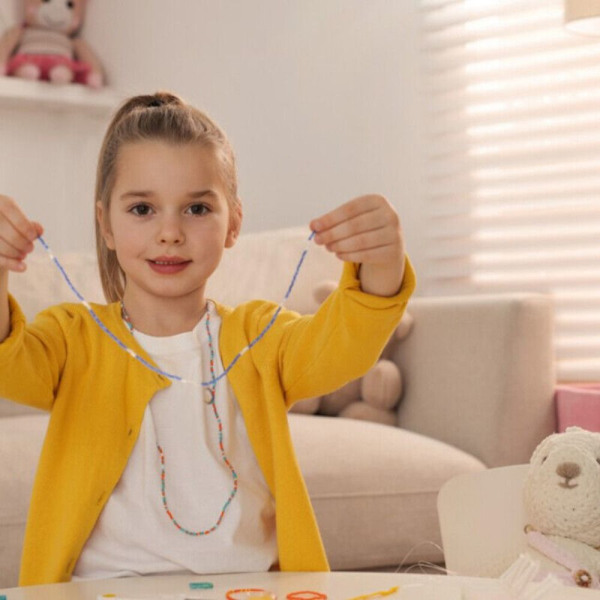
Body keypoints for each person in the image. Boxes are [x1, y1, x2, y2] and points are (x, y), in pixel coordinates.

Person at [0, 92, 415, 585]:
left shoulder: (260, 335)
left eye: (196, 208)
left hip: (248, 586)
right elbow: (10, 362)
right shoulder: (73, 339)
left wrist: (383, 262)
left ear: (233, 223)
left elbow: (343, 349)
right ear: (105, 224)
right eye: (141, 209)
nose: (170, 232)